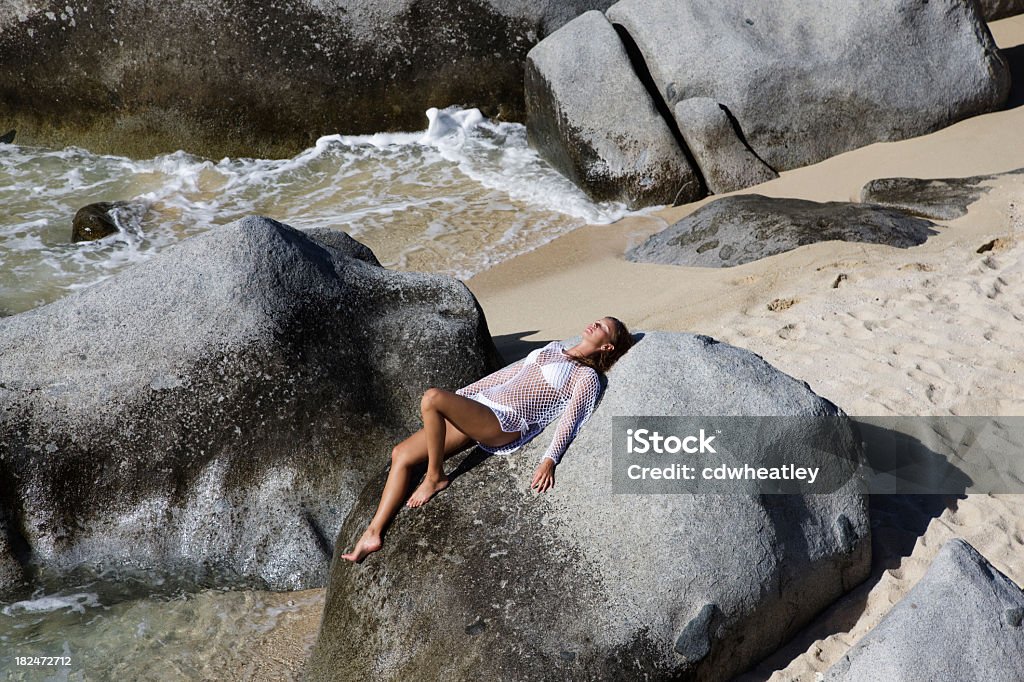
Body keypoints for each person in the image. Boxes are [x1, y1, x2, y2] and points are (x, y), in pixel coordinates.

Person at [341, 316, 633, 563]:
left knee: (432, 398)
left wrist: (550, 459)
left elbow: (573, 418)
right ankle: (373, 533)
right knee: (400, 454)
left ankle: (435, 477)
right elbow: (506, 376)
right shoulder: (554, 348)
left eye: (603, 327)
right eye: (598, 320)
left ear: (607, 346)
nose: (595, 324)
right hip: (484, 406)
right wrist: (462, 398)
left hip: (505, 421)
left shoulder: (586, 377)